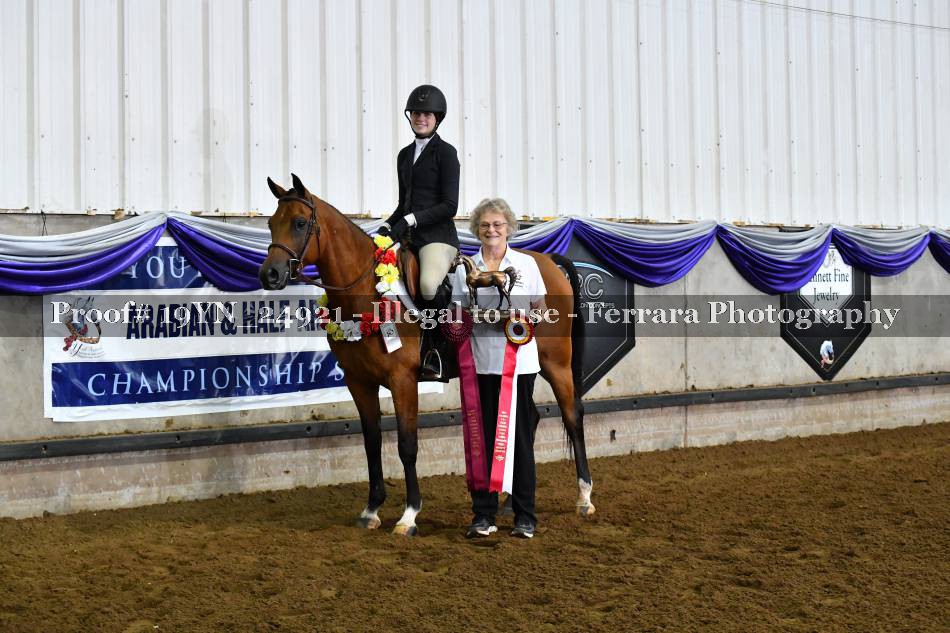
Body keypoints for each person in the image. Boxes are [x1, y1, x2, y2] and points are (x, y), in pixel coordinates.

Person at [455, 198, 546, 539]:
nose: (491, 230)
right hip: (478, 364)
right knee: (481, 438)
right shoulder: (464, 269)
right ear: (476, 229)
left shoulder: (526, 264)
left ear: (508, 227)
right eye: (484, 225)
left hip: (519, 364)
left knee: (519, 440)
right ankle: (483, 514)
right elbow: (455, 311)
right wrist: (457, 324)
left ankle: (525, 515)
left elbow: (541, 307)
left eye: (497, 224)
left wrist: (524, 321)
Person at [379, 84, 460, 380]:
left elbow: (450, 205)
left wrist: (411, 220)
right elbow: (404, 204)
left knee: (427, 285)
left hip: (438, 238)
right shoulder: (404, 155)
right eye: (416, 113)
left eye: (427, 114)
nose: (420, 118)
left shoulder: (446, 153)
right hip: (409, 237)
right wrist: (387, 226)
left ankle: (437, 349)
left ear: (437, 118)